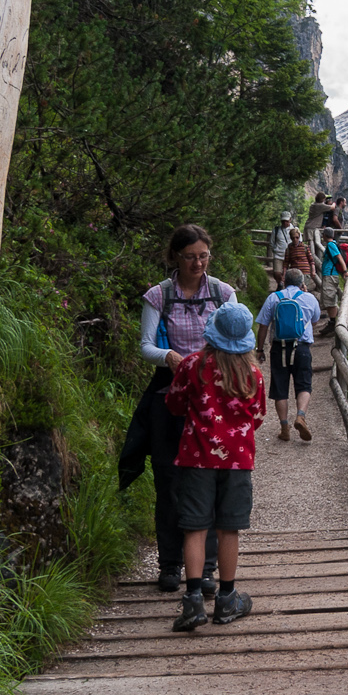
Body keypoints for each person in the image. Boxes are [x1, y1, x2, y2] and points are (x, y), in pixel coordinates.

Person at [117, 225, 235, 592]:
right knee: (168, 481)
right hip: (169, 396)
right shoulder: (158, 296)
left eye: (203, 256)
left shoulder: (223, 293)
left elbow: (235, 338)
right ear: (175, 257)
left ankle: (207, 570)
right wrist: (170, 356)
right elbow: (145, 346)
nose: (197, 263)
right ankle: (169, 567)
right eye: (190, 256)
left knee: (209, 481)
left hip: (210, 399)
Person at [162, 302, 265, 631]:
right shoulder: (254, 375)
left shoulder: (192, 366)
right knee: (228, 528)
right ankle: (227, 598)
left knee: (195, 527)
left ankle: (193, 602)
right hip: (237, 461)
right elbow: (259, 417)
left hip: (197, 459)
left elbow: (174, 403)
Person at [256, 270, 322, 443]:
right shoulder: (309, 299)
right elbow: (314, 321)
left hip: (279, 347)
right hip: (301, 348)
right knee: (304, 385)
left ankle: (284, 427)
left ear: (284, 282)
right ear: (302, 282)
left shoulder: (274, 298)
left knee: (280, 387)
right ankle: (301, 416)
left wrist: (260, 349)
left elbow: (263, 325)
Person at [315, 229, 348, 338]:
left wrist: (345, 271)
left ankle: (332, 324)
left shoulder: (331, 245)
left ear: (325, 235)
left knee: (329, 299)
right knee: (329, 299)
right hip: (330, 275)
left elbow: (339, 257)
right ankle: (332, 322)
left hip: (330, 275)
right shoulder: (333, 244)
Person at [267, 210, 295, 286]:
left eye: (286, 221)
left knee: (290, 275)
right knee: (277, 273)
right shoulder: (276, 230)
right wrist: (276, 250)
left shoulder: (295, 230)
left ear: (290, 220)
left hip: (290, 256)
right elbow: (272, 243)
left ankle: (286, 287)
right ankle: (281, 285)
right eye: (283, 221)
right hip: (279, 255)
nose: (285, 223)